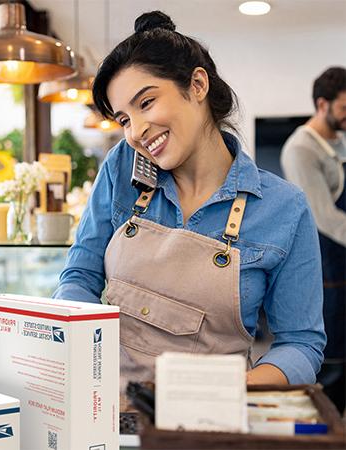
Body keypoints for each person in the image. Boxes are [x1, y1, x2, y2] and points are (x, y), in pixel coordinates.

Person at [53, 11, 326, 400]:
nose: (136, 132)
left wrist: (230, 389)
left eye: (146, 103)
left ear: (197, 85)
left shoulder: (285, 208)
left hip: (211, 418)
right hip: (106, 407)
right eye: (124, 119)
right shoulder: (122, 169)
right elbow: (79, 277)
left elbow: (301, 344)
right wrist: (68, 348)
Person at [280, 67, 346, 413]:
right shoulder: (301, 149)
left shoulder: (340, 139)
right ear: (323, 104)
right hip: (327, 265)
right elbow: (326, 218)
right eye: (344, 108)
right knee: (333, 366)